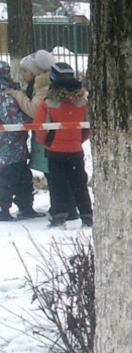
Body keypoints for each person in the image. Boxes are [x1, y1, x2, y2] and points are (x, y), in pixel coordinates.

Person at [3, 49, 78, 220]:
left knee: (54, 174)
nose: (23, 74)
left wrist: (17, 94)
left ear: (35, 72)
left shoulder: (42, 87)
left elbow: (33, 109)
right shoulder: (38, 86)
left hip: (50, 137)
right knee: (56, 173)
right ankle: (63, 207)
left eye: (25, 71)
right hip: (51, 137)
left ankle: (61, 208)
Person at [32, 63, 93, 227]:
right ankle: (87, 214)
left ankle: (59, 215)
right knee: (79, 183)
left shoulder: (48, 102)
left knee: (58, 184)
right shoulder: (83, 102)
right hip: (76, 149)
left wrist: (46, 141)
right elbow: (87, 126)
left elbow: (40, 127)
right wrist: (78, 140)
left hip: (55, 150)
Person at [0, 61, 42, 221]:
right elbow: (13, 122)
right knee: (14, 178)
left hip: (9, 147)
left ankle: (12, 207)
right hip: (11, 147)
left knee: (15, 177)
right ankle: (12, 208)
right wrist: (31, 117)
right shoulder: (6, 96)